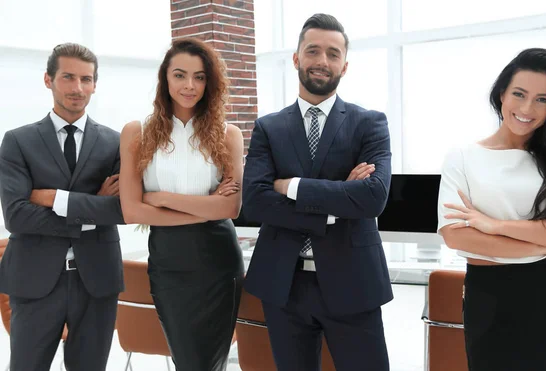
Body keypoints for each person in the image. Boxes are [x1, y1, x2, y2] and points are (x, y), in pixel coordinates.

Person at [242, 13, 392, 371]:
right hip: (283, 283)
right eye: (313, 51)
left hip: (353, 281)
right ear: (296, 58)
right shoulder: (268, 127)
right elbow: (255, 201)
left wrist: (291, 186)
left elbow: (373, 197)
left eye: (332, 53)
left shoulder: (370, 123)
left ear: (345, 65)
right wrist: (338, 201)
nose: (322, 61)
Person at [438, 48, 546, 371]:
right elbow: (456, 236)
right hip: (491, 299)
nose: (527, 108)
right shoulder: (463, 156)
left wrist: (494, 225)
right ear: (502, 94)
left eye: (543, 99)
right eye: (519, 94)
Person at [119, 38, 244, 370]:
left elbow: (230, 210)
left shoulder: (228, 134)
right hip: (169, 265)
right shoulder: (137, 133)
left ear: (210, 82)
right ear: (165, 78)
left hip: (219, 265)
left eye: (200, 77)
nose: (190, 85)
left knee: (207, 364)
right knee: (188, 360)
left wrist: (162, 200)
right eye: (180, 75)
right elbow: (132, 211)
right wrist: (206, 207)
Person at [0, 43, 124, 371]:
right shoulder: (17, 141)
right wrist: (92, 207)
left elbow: (122, 210)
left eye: (86, 79)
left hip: (97, 280)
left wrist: (57, 200)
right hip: (34, 280)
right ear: (48, 80)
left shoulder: (116, 142)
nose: (77, 88)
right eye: (68, 77)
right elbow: (16, 215)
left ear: (95, 84)